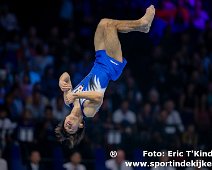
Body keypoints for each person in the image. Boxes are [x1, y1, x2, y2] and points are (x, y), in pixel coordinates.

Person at [55, 5, 155, 148]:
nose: (68, 125)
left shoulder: (68, 100)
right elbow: (98, 98)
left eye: (65, 126)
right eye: (71, 128)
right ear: (81, 125)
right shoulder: (88, 112)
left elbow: (66, 75)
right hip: (111, 68)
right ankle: (142, 24)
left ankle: (143, 27)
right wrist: (76, 95)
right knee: (110, 27)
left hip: (99, 60)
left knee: (103, 22)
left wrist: (61, 82)